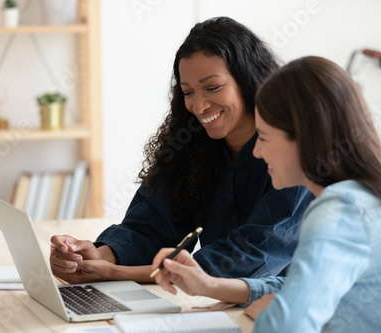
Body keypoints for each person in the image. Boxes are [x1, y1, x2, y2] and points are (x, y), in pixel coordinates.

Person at [152, 56, 381, 332]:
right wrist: (211, 286)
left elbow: (287, 324)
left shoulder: (341, 208)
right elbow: (300, 286)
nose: (256, 152)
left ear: (305, 138)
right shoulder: (374, 193)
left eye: (264, 138)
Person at [49, 17, 314, 284]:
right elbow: (153, 227)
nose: (198, 106)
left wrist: (117, 274)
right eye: (188, 92)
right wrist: (99, 256)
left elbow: (250, 257)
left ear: (248, 80)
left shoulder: (295, 153)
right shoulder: (191, 146)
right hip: (217, 306)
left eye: (213, 88)